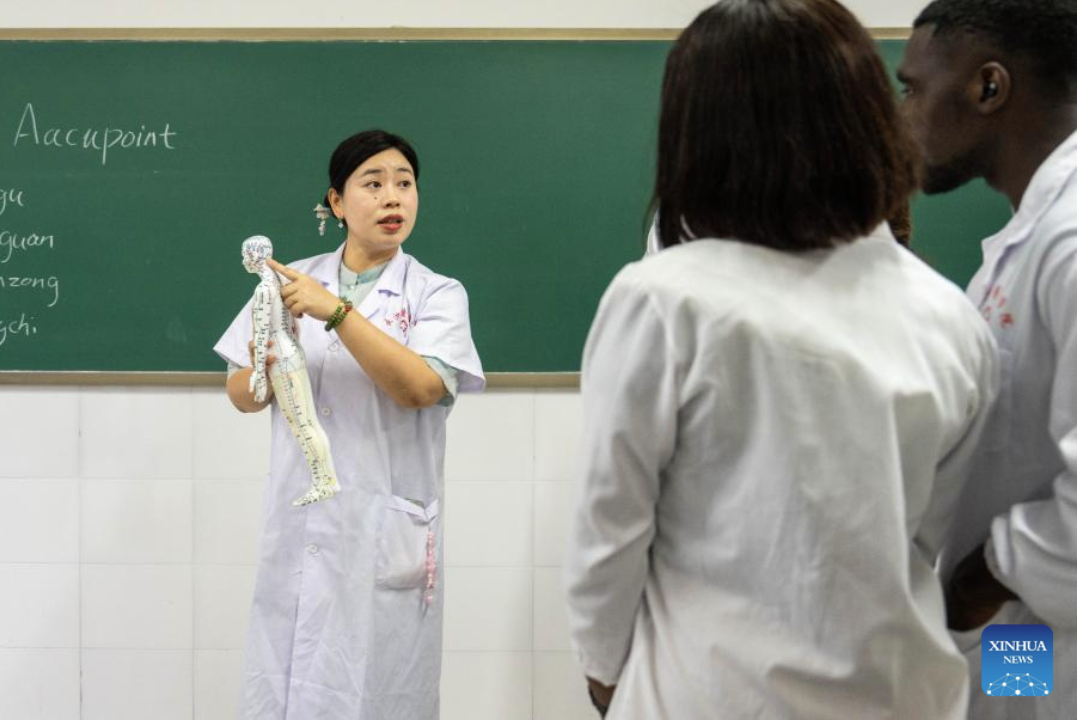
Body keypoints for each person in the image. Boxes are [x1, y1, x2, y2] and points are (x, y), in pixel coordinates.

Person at [564, 0, 1000, 717]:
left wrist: (604, 673)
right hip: (895, 690)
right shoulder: (948, 313)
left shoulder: (662, 298)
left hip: (714, 692)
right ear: (868, 121)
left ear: (697, 135)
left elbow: (608, 529)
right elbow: (931, 538)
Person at [214, 129, 484, 720]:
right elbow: (240, 393)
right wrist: (263, 369)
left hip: (382, 531)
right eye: (373, 183)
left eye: (405, 184)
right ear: (336, 201)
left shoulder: (436, 294)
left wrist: (334, 311)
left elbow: (421, 388)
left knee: (378, 691)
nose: (392, 197)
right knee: (287, 686)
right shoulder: (290, 281)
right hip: (300, 524)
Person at [898, 0, 1077, 715]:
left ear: (988, 87)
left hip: (1044, 624)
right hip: (1024, 636)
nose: (901, 118)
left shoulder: (1069, 240)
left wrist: (983, 575)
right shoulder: (1027, 240)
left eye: (913, 89)